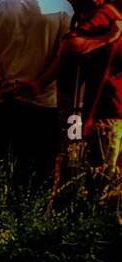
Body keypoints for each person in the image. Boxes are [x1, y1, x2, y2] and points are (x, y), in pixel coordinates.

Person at [0, 0, 75, 186]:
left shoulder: (0, 7)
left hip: (2, 101)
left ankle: (4, 210)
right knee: (41, 171)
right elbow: (67, 53)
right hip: (43, 103)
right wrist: (38, 84)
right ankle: (33, 212)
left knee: (6, 166)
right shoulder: (62, 8)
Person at [52, 0, 122, 181]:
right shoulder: (107, 15)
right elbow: (70, 45)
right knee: (101, 176)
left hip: (111, 112)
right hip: (103, 113)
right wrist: (108, 37)